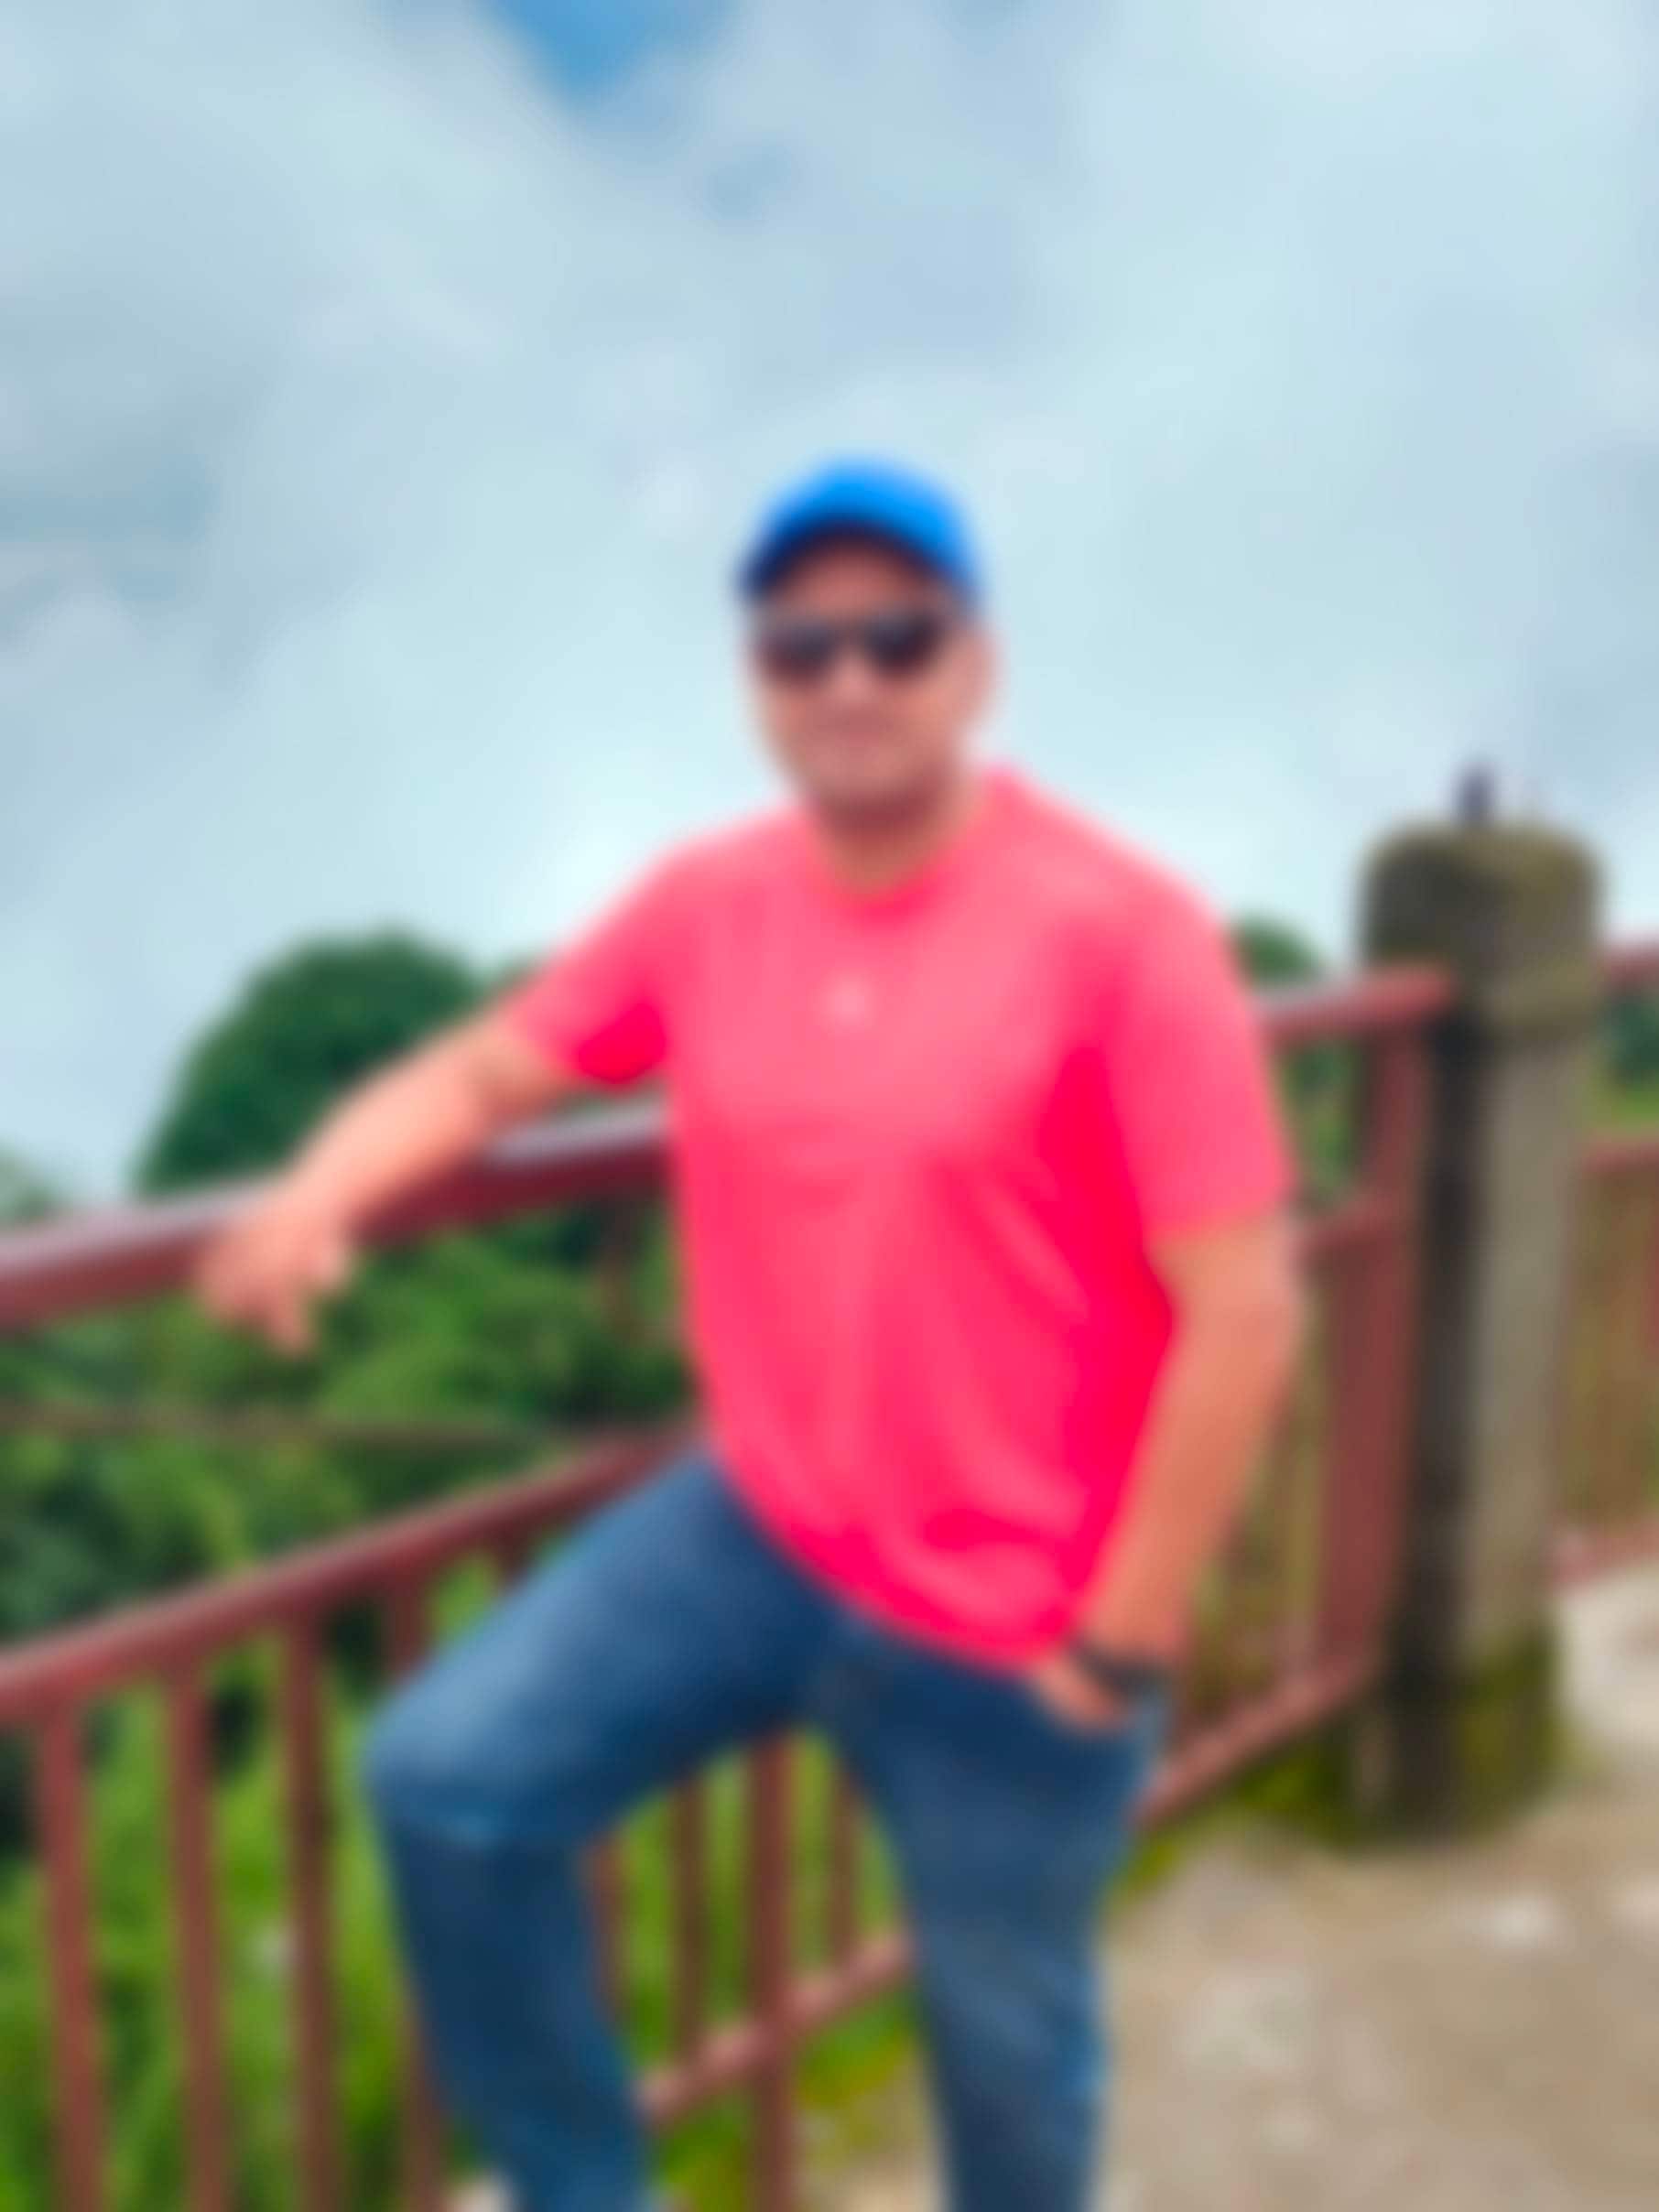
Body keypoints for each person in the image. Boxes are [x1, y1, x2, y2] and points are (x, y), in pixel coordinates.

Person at [199, 459, 1304, 2212]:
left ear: (977, 666)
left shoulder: (1124, 937)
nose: (848, 682)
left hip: (1021, 1623)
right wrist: (320, 1192)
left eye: (897, 639)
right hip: (766, 1529)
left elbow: (1244, 1311)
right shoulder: (709, 906)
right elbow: (486, 1072)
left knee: (1009, 2061)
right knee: (447, 1785)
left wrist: (1121, 1646)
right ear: (757, 681)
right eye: (802, 648)